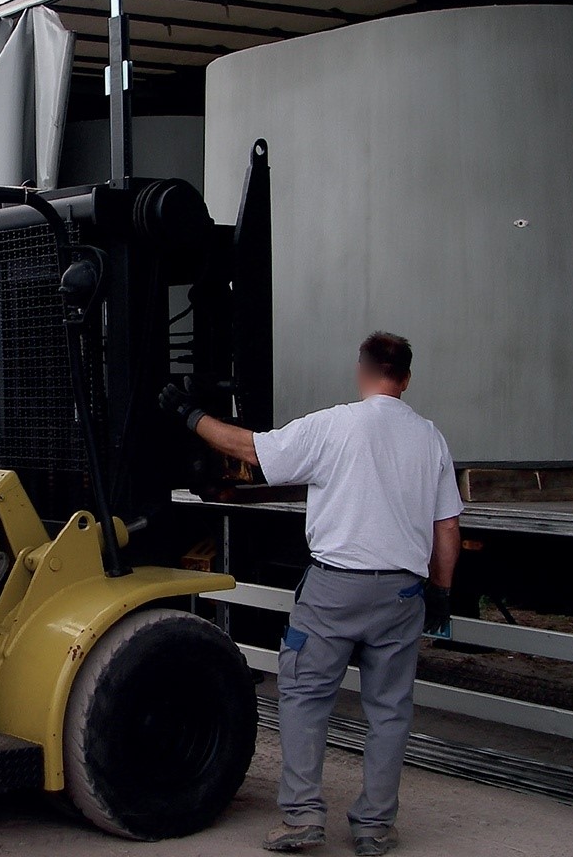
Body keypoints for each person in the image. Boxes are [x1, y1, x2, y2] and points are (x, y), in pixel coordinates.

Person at [160, 332, 462, 856]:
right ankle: (373, 828)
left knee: (304, 697)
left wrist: (191, 416)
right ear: (406, 379)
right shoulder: (430, 439)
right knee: (390, 709)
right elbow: (448, 527)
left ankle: (302, 818)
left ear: (362, 371)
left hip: (335, 590)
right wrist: (441, 590)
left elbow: (251, 450)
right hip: (402, 594)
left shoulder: (335, 425)